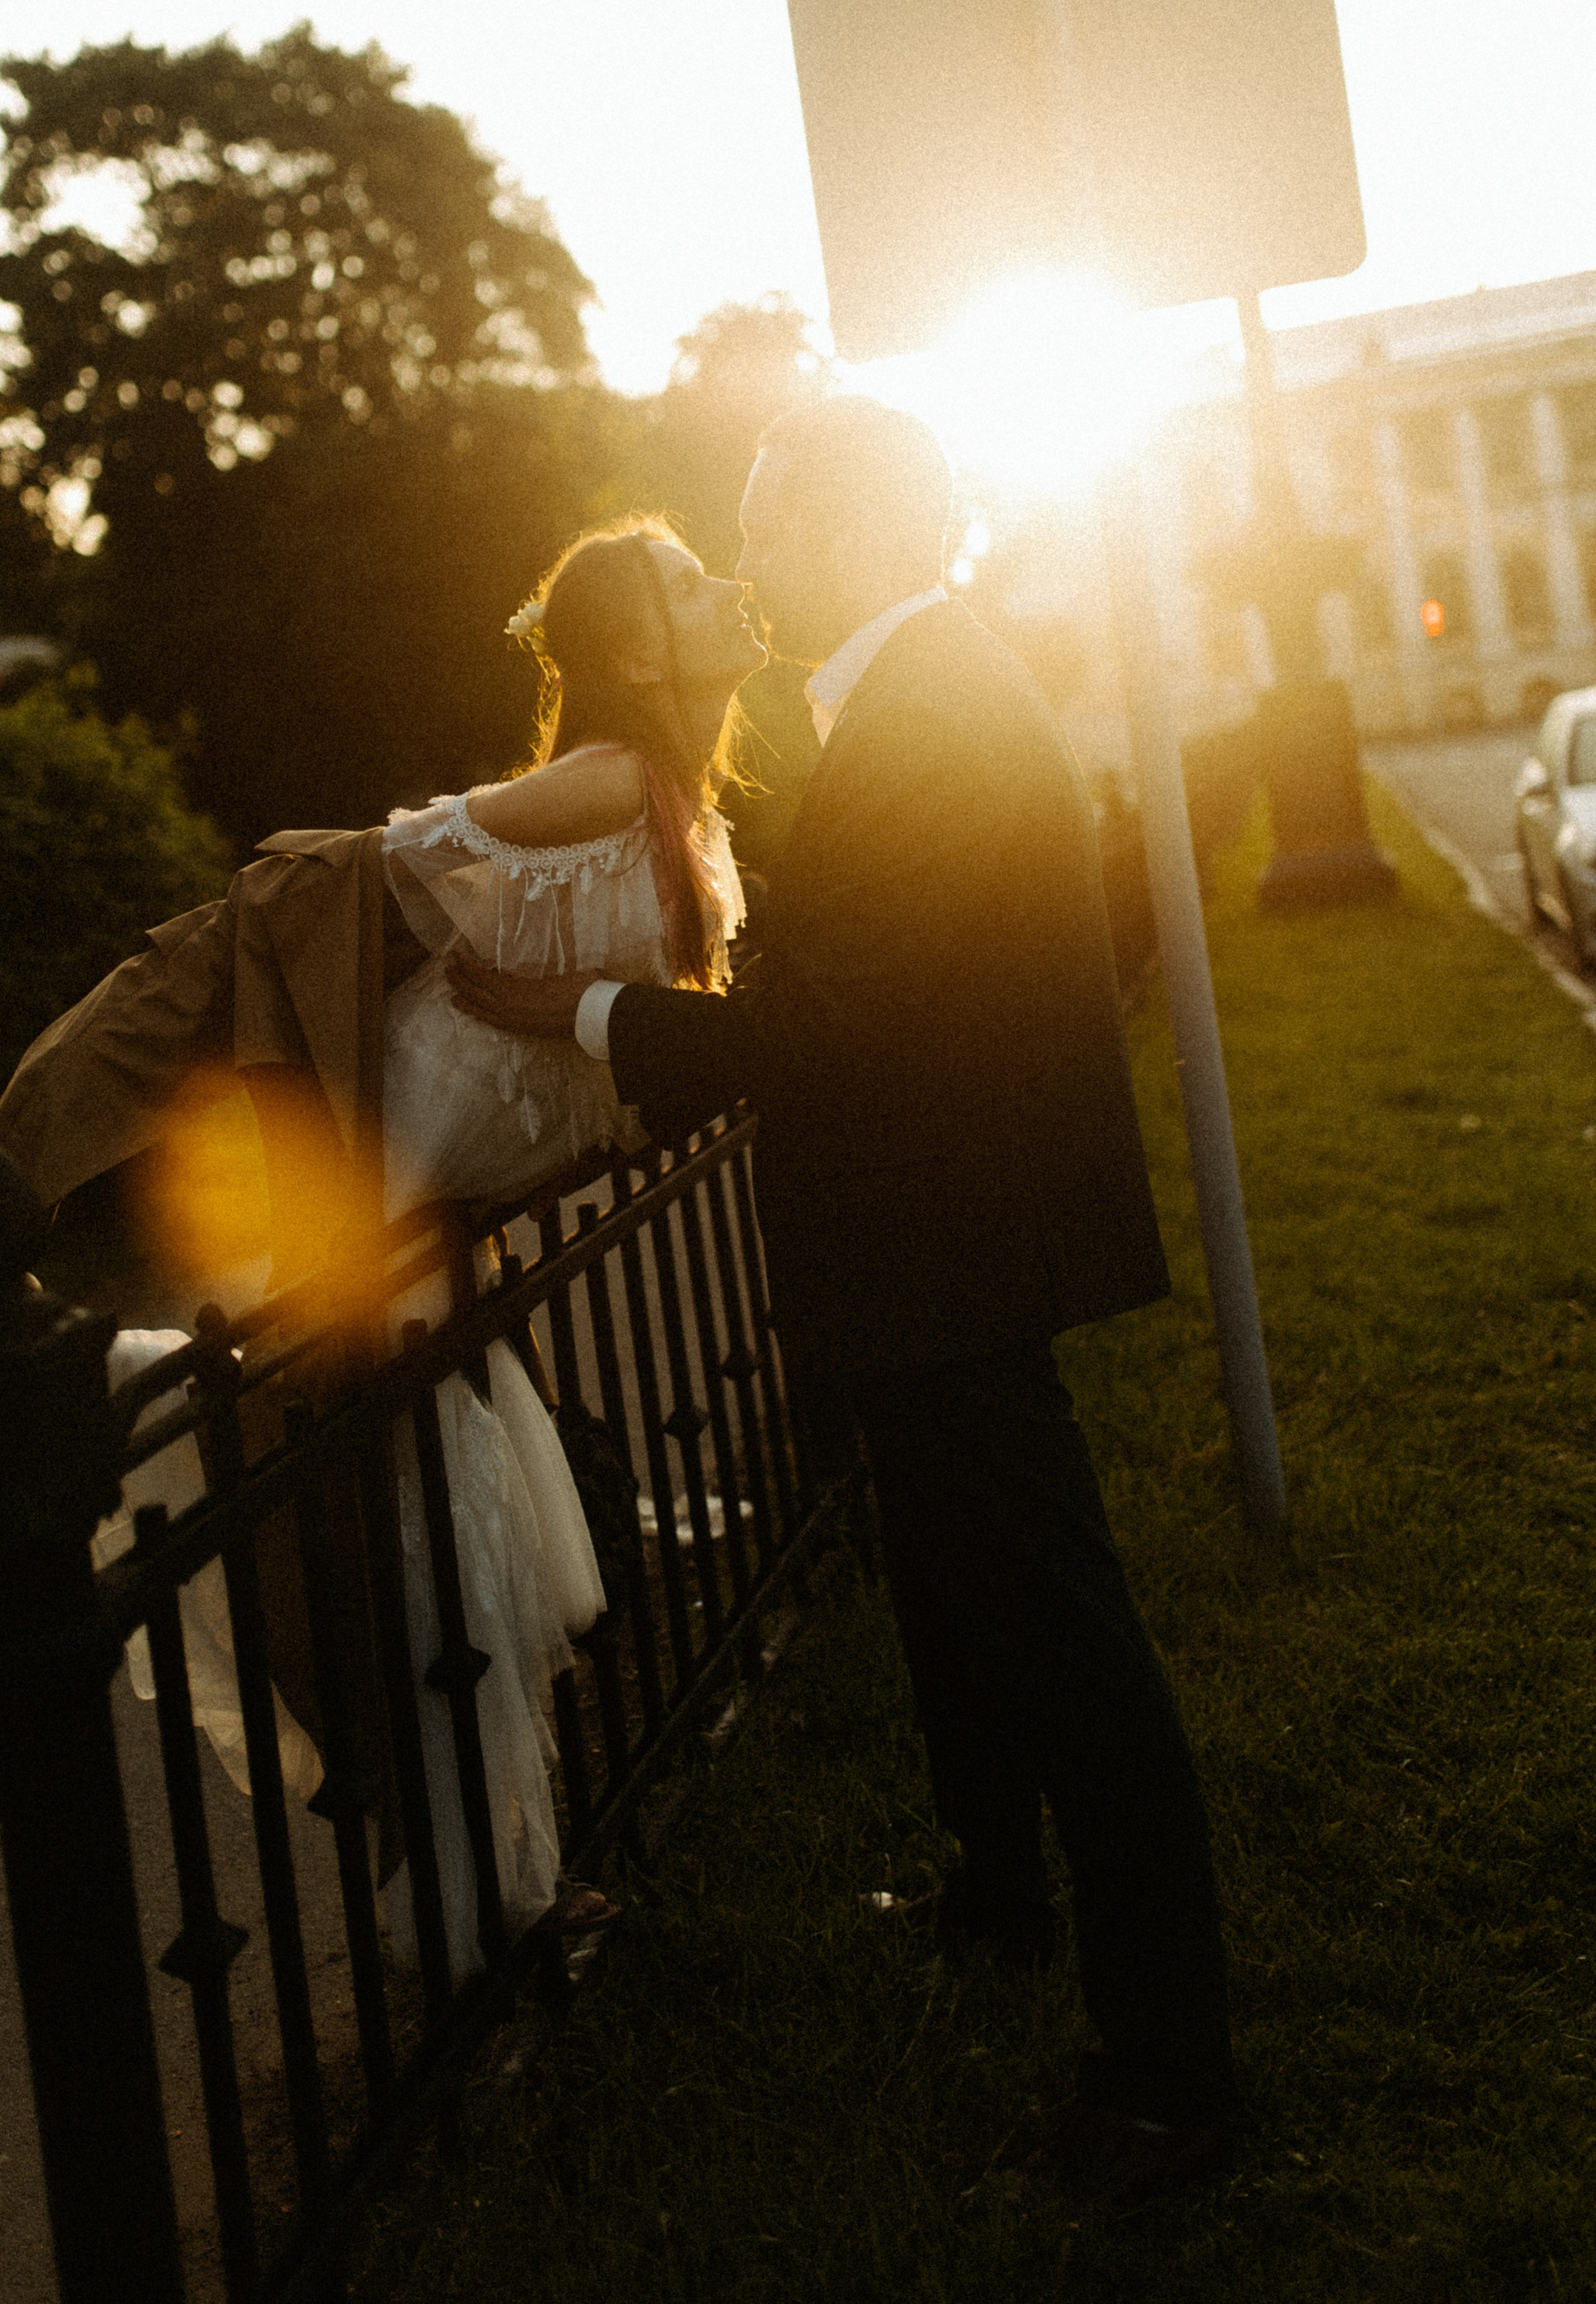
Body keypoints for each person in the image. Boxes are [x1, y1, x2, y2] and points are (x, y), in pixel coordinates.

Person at [451, 403, 1239, 2211]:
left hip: (948, 1250)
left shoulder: (928, 714)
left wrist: (560, 1014)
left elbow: (823, 1031)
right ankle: (995, 1895)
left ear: (835, 526)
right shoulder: (915, 693)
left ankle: (1170, 2085)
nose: (743, 566)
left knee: (1066, 1648)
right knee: (966, 1604)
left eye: (758, 524)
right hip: (939, 1247)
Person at [0, 512, 766, 1984]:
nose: (726, 587)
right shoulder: (602, 779)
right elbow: (360, 871)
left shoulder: (671, 797)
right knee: (438, 1586)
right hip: (356, 1223)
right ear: (639, 647)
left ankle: (505, 1909)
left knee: (447, 1585)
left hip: (417, 1235)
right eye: (684, 582)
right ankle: (492, 1926)